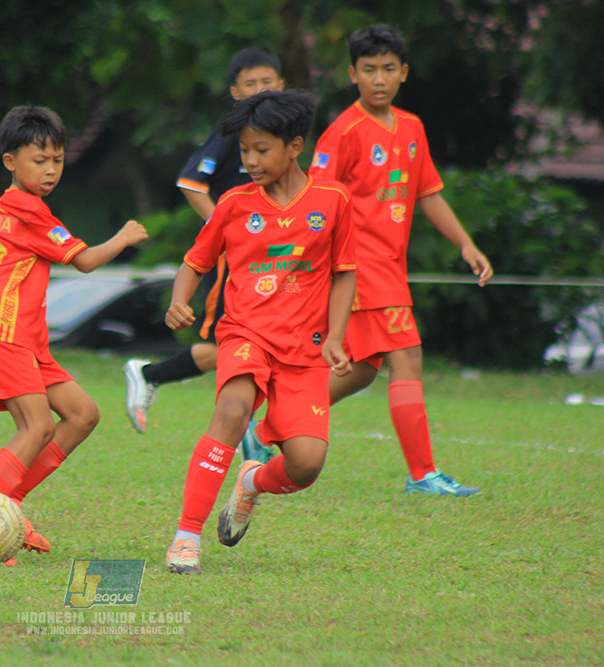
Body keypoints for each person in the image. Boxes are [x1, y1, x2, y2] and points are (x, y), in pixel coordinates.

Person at [0, 105, 148, 565]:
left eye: (57, 159)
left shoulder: (24, 206)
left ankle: (6, 506)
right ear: (10, 161)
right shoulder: (25, 206)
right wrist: (123, 236)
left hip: (25, 336)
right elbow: (86, 260)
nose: (51, 169)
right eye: (40, 159)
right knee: (36, 426)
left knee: (82, 414)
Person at [292, 23, 493, 496]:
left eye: (387, 69)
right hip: (359, 267)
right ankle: (423, 474)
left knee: (361, 370)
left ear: (404, 72)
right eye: (368, 70)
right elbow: (316, 198)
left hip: (390, 266)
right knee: (408, 357)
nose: (378, 78)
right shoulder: (344, 131)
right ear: (352, 74)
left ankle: (264, 431)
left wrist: (466, 244)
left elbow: (429, 194)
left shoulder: (412, 128)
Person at [164, 89, 357, 574]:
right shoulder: (233, 204)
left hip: (305, 350)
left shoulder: (333, 201)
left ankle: (251, 482)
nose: (249, 160)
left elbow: (345, 272)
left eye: (261, 149)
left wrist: (335, 337)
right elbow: (195, 261)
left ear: (294, 146)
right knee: (231, 410)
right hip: (245, 334)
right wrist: (178, 301)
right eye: (244, 150)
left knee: (306, 465)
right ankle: (187, 537)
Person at [123, 47, 286, 434]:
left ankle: (153, 377)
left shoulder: (283, 131)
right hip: (238, 258)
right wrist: (226, 227)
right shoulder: (235, 129)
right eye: (251, 84)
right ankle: (152, 376)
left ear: (281, 85)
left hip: (275, 257)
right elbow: (191, 181)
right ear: (235, 91)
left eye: (267, 82)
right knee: (229, 346)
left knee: (262, 343)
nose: (260, 90)